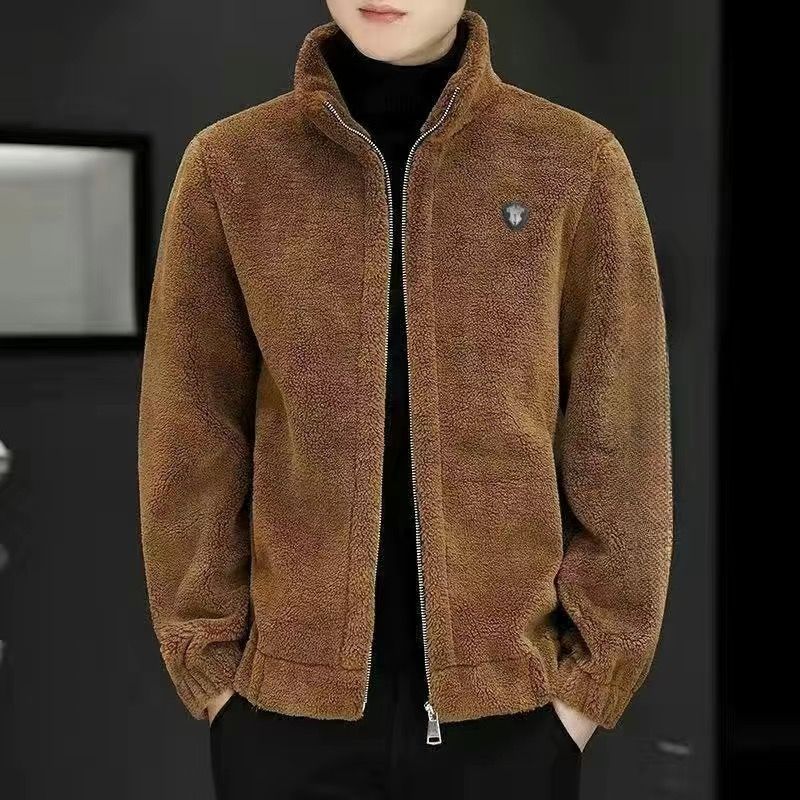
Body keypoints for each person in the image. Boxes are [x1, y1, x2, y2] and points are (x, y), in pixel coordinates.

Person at [137, 2, 673, 798]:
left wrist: (587, 689)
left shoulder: (573, 162)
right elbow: (190, 432)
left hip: (512, 721)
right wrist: (212, 671)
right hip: (282, 719)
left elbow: (620, 436)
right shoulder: (231, 166)